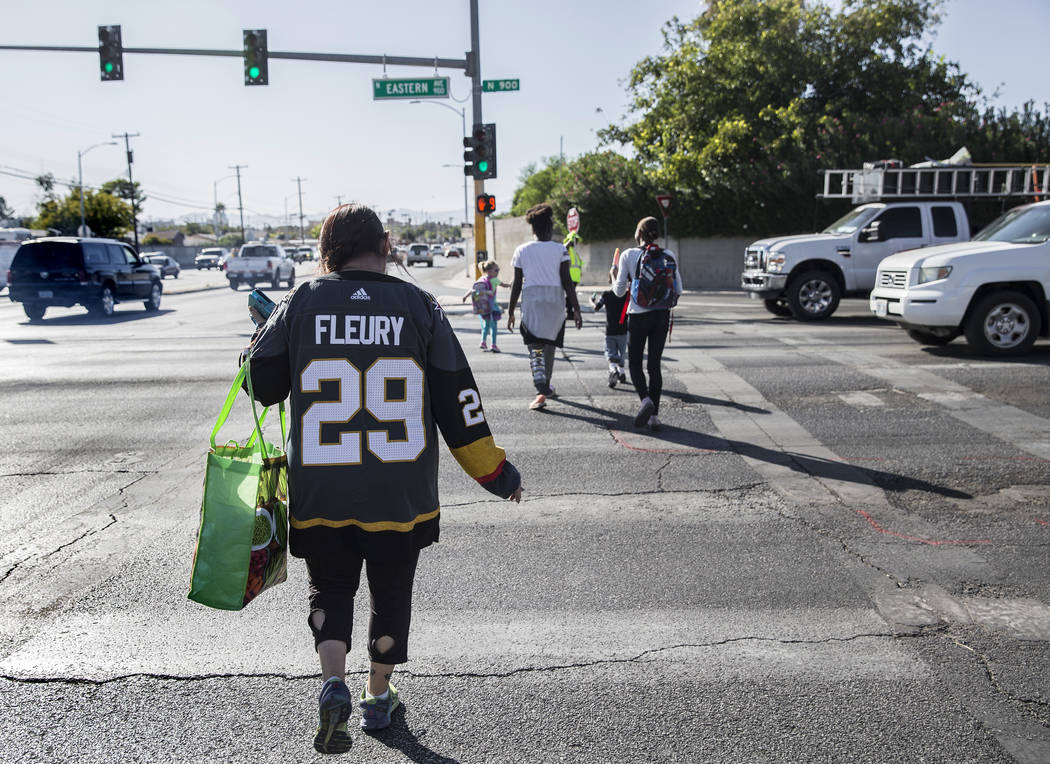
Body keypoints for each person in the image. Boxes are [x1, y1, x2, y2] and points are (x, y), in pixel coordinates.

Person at [243, 204, 523, 755]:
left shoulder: (300, 301)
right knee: (391, 593)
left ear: (328, 249)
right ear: (387, 243)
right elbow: (458, 402)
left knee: (330, 587)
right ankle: (376, 695)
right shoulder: (420, 306)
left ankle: (332, 684)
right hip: (400, 495)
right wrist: (495, 472)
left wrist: (263, 330)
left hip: (320, 488)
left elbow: (261, 384)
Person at [506, 203, 583, 410]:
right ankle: (545, 385)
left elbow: (517, 284)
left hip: (532, 299)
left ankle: (541, 381)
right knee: (549, 345)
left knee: (534, 343)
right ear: (549, 227)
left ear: (533, 229)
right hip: (554, 301)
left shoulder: (522, 250)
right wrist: (576, 309)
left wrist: (511, 310)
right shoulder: (560, 250)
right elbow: (568, 282)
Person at [613, 216, 684, 430]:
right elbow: (679, 289)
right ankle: (654, 417)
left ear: (639, 234)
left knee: (635, 362)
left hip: (638, 315)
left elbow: (618, 292)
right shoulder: (668, 255)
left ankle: (645, 400)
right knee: (654, 365)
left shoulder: (628, 255)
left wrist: (615, 275)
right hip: (661, 316)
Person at [591, 263, 630, 388]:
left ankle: (613, 370)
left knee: (610, 352)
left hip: (610, 330)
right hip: (624, 329)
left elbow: (597, 307)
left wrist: (592, 302)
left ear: (609, 279)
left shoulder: (606, 294)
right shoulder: (627, 295)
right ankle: (622, 373)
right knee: (622, 352)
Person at [461, 259, 507, 352]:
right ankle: (493, 344)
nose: (498, 272)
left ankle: (483, 341)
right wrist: (510, 285)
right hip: (492, 307)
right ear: (489, 271)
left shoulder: (481, 279)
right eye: (496, 270)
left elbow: (472, 289)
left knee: (485, 325)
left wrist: (465, 296)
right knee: (494, 327)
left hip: (483, 307)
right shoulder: (495, 280)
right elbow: (504, 285)